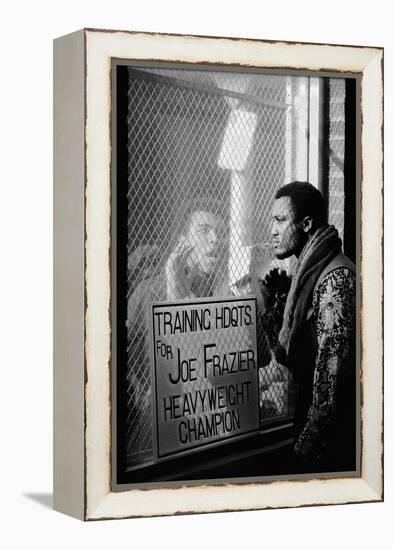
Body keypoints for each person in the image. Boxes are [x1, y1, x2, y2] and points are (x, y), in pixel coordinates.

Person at [257, 181, 356, 472]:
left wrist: (300, 456)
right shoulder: (307, 273)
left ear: (307, 223)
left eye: (281, 220)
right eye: (271, 220)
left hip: (331, 449)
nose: (273, 230)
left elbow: (330, 387)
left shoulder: (335, 281)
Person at [126, 206, 229, 459]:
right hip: (163, 418)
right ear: (183, 241)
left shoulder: (217, 289)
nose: (216, 239)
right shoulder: (150, 292)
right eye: (204, 231)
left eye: (220, 232)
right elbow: (148, 367)